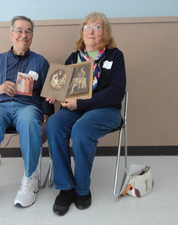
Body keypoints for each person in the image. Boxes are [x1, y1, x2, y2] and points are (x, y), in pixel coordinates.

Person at [0, 15, 54, 212]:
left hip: (27, 107)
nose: (23, 35)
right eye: (19, 31)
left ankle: (30, 178)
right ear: (11, 34)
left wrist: (45, 121)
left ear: (32, 36)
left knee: (28, 121)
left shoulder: (41, 62)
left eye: (28, 31)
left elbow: (48, 95)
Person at [46, 12, 126, 216]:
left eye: (97, 27)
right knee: (54, 124)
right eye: (87, 27)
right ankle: (66, 187)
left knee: (82, 130)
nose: (91, 31)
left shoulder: (115, 56)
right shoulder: (74, 58)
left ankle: (82, 189)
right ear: (82, 32)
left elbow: (116, 91)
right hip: (76, 109)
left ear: (104, 32)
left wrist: (81, 103)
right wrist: (55, 94)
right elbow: (63, 87)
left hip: (106, 111)